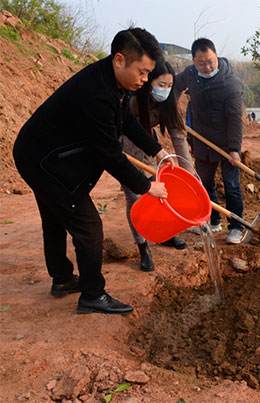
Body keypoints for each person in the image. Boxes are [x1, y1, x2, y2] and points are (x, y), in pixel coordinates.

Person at [12, 27, 173, 315]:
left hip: (41, 152)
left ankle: (61, 279)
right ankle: (92, 294)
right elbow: (109, 153)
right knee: (89, 227)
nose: (145, 80)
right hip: (42, 160)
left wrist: (157, 150)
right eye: (142, 72)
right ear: (120, 60)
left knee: (54, 216)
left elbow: (126, 123)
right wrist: (147, 186)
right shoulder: (96, 93)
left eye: (149, 73)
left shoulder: (116, 84)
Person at [122, 61, 194, 272]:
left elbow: (178, 137)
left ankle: (165, 234)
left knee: (160, 193)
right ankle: (143, 246)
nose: (165, 89)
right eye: (161, 84)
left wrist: (189, 173)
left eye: (169, 85)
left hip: (150, 150)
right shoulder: (132, 100)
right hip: (125, 151)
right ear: (148, 82)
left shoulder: (167, 103)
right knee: (135, 198)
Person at [175, 38, 245, 244]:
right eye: (201, 63)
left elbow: (235, 118)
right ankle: (213, 221)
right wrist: (172, 108)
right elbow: (173, 87)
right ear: (194, 61)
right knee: (204, 184)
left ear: (216, 56)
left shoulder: (230, 83)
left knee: (231, 184)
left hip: (225, 142)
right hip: (201, 140)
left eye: (210, 61)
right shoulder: (189, 75)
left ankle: (236, 227)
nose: (207, 67)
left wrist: (234, 149)